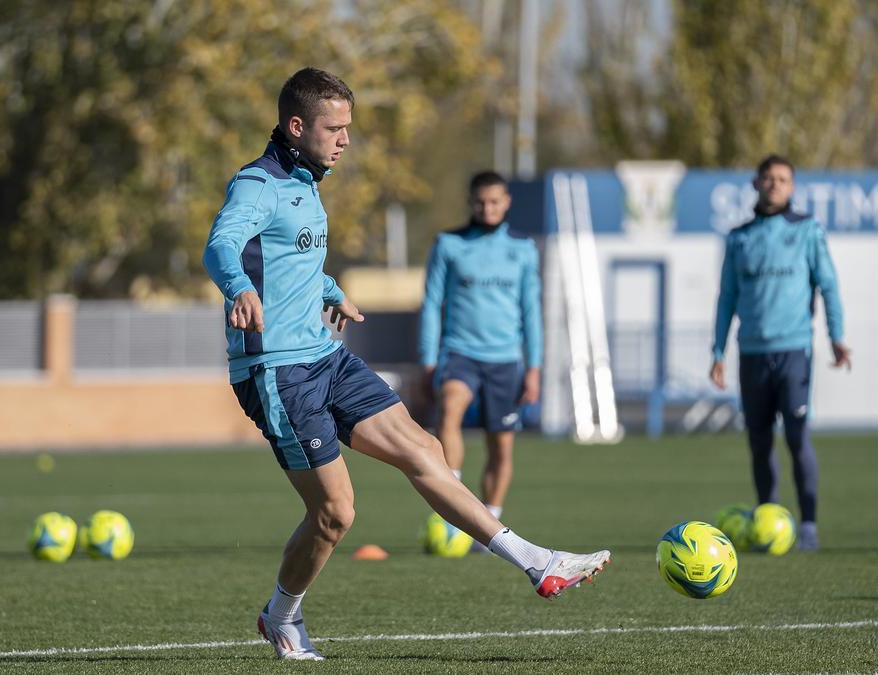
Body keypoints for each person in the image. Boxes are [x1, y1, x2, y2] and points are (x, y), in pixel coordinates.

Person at [202, 68, 609, 661]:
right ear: (297, 126)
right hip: (277, 373)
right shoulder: (256, 184)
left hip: (325, 356)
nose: (345, 139)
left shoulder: (308, 183)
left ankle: (538, 563)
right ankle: (281, 615)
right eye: (333, 128)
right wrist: (237, 286)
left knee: (425, 450)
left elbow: (293, 259)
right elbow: (221, 244)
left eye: (348, 128)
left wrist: (331, 289)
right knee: (335, 514)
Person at [709, 154, 852, 552]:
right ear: (756, 184)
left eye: (783, 179)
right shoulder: (739, 237)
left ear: (792, 187)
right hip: (752, 354)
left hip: (793, 353)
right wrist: (718, 350)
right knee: (758, 442)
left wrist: (836, 336)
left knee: (796, 436)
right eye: (768, 178)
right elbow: (727, 299)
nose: (774, 184)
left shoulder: (806, 230)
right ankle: (768, 519)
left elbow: (829, 285)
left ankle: (807, 525)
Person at [419, 171, 542, 551]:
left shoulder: (523, 249)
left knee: (500, 447)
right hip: (460, 354)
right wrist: (428, 360)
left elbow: (531, 309)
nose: (487, 208)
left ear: (506, 202)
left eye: (494, 202)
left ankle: (489, 524)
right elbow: (430, 305)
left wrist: (534, 366)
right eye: (480, 202)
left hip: (505, 360)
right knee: (450, 409)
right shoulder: (450, 244)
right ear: (471, 203)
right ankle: (451, 502)